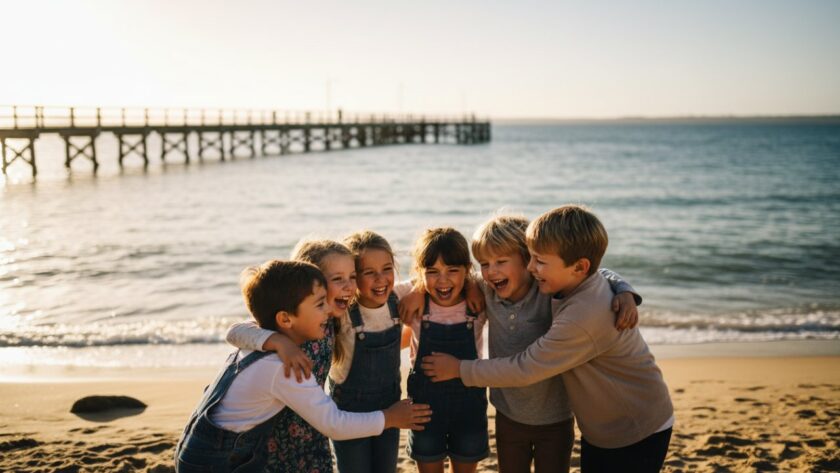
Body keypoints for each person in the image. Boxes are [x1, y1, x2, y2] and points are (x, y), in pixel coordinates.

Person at [422, 206, 674, 473]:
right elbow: (596, 270)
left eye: (537, 260)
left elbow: (526, 368)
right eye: (484, 264)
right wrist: (418, 290)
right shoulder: (551, 281)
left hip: (633, 427)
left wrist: (459, 369)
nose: (533, 266)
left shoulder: (571, 307)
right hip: (588, 427)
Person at [175, 260, 431, 473]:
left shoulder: (262, 339)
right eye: (320, 304)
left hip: (199, 448)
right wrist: (390, 417)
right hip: (213, 464)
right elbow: (334, 424)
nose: (328, 311)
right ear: (285, 319)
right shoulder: (283, 368)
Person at [405, 227, 489, 473]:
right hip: (425, 410)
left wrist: (473, 283)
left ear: (467, 270)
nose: (442, 281)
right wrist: (417, 288)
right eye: (432, 273)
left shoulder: (479, 301)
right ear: (421, 274)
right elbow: (374, 289)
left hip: (469, 408)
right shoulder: (414, 301)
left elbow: (507, 282)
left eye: (453, 271)